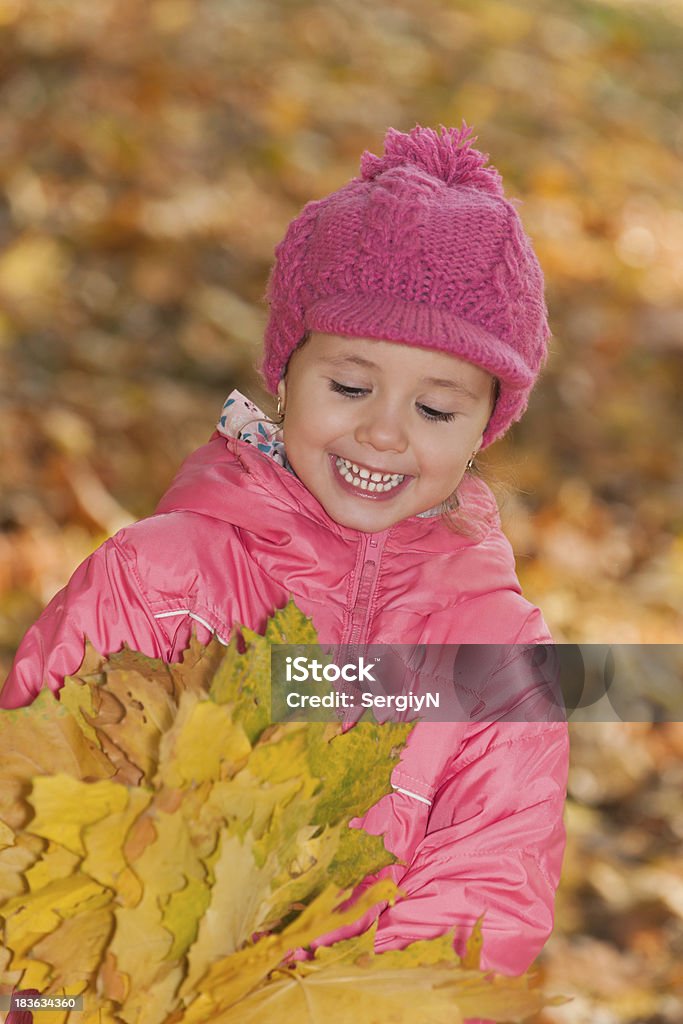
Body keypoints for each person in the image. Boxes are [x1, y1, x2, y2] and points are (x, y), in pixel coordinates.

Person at [1, 124, 568, 978]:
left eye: (436, 410)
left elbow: (489, 886)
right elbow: (40, 805)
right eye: (349, 386)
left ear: (483, 430)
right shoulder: (158, 579)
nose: (382, 431)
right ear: (285, 371)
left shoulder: (500, 655)